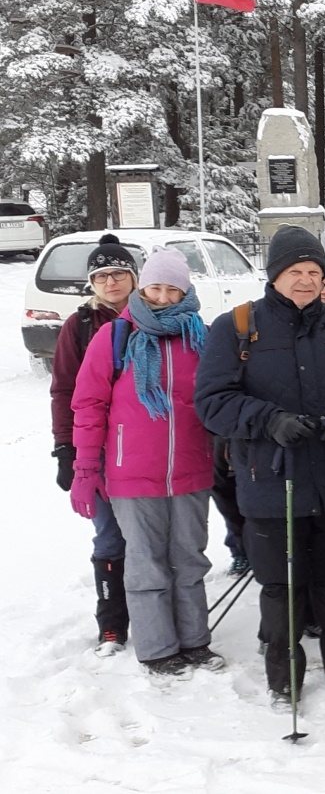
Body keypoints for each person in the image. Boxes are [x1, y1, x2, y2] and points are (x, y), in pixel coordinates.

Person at [195, 225, 325, 704]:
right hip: (270, 479)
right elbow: (211, 401)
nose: (306, 280)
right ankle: (283, 677)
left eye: (314, 271)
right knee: (281, 585)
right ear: (275, 276)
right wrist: (268, 420)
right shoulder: (237, 326)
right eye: (295, 271)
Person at [70, 250, 223, 678]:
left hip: (191, 469)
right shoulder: (115, 337)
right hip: (131, 472)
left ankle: (194, 642)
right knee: (146, 562)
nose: (163, 296)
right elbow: (87, 405)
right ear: (142, 287)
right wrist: (85, 470)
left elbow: (219, 397)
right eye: (156, 287)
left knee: (190, 559)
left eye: (173, 288)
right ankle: (158, 650)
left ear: (186, 291)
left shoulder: (202, 337)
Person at [51, 233, 137, 655]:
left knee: (153, 535)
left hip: (145, 447)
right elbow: (64, 389)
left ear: (134, 277)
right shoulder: (80, 326)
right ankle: (112, 623)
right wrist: (65, 448)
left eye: (119, 272)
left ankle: (157, 610)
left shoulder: (155, 314)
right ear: (92, 283)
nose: (111, 282)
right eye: (101, 275)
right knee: (109, 536)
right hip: (97, 447)